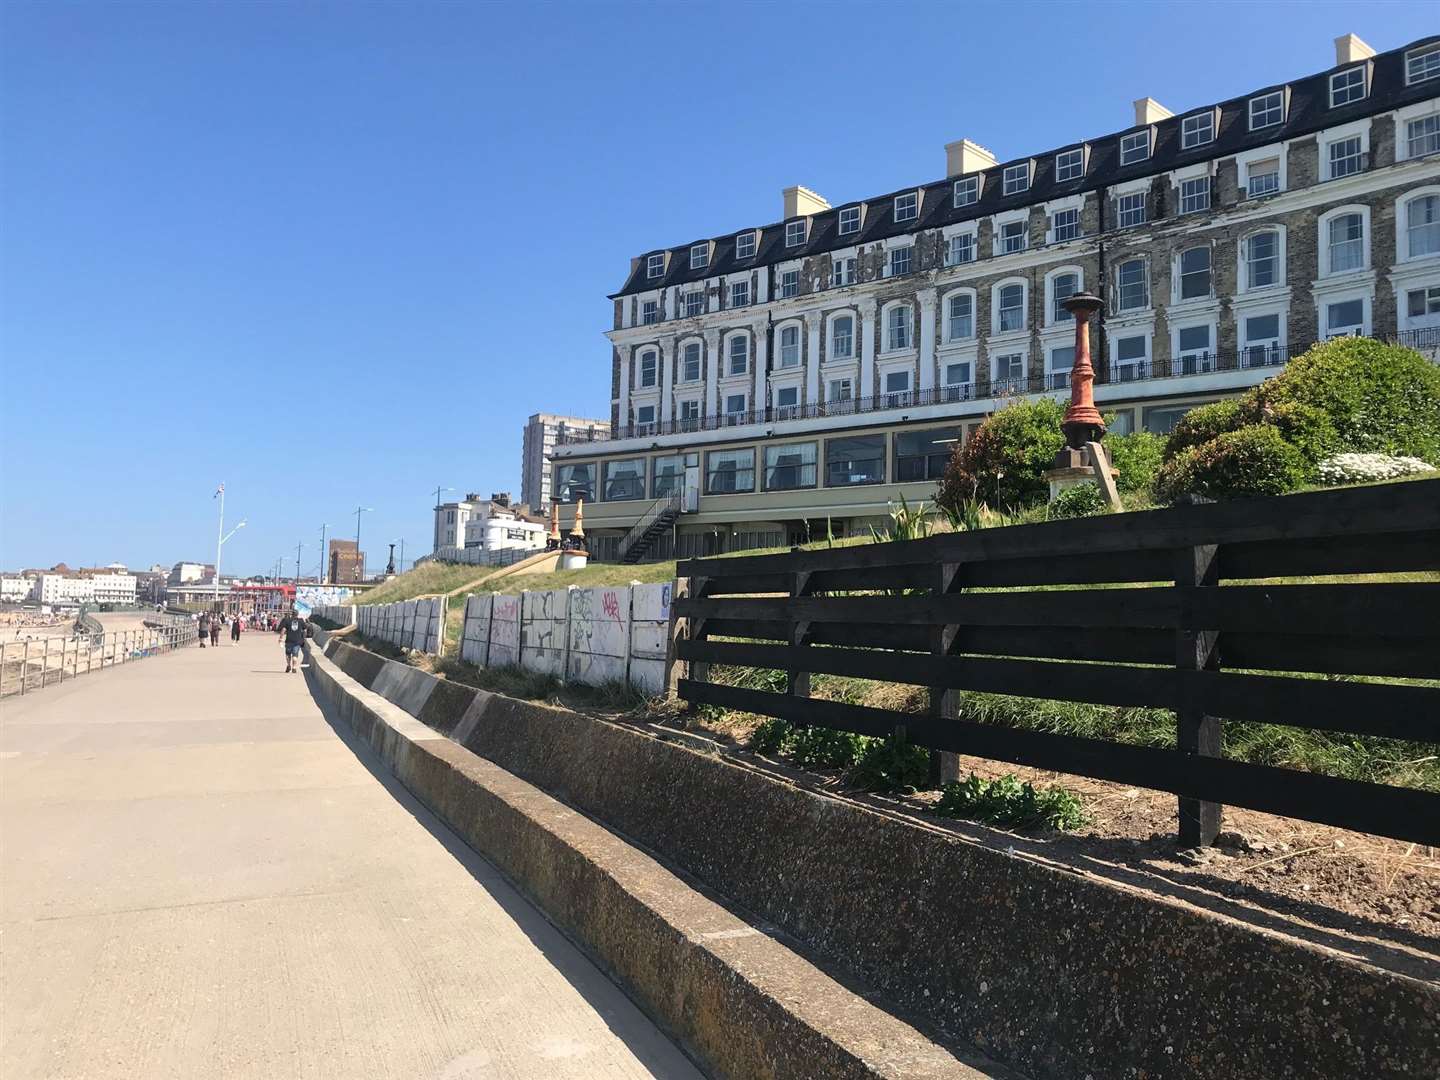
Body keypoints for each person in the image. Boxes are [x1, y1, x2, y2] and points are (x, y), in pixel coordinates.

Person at [278, 608, 307, 673]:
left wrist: (280, 638)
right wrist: (303, 638)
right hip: (297, 641)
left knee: (288, 654)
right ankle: (294, 667)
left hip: (289, 641)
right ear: (297, 614)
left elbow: (283, 630)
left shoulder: (287, 621)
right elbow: (305, 630)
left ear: (292, 614)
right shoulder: (301, 621)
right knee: (295, 655)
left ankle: (288, 665)